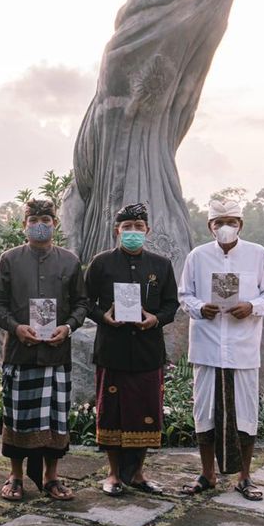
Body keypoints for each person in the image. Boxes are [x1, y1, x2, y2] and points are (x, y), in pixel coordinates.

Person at [178, 199, 264, 500]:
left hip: (243, 348)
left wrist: (252, 306)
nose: (225, 227)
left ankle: (245, 476)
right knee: (205, 412)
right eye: (218, 222)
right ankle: (207, 474)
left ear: (241, 224)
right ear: (209, 226)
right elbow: (185, 295)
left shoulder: (257, 254)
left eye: (231, 221)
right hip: (208, 347)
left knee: (245, 413)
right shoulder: (197, 257)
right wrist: (200, 307)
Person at [0, 199, 90, 502]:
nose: (40, 224)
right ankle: (15, 476)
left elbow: (82, 303)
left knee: (56, 419)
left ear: (55, 224)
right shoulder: (9, 259)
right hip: (21, 351)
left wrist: (68, 326)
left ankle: (51, 477)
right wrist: (16, 327)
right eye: (33, 219)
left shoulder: (70, 261)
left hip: (57, 354)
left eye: (46, 218)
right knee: (18, 416)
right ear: (24, 225)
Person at [84, 203, 178, 496]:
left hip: (148, 350)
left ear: (147, 230)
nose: (133, 232)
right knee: (112, 411)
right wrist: (103, 317)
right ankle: (113, 474)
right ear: (117, 231)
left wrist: (156, 319)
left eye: (138, 227)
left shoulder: (161, 265)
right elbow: (85, 301)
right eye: (127, 228)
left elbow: (171, 305)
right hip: (112, 349)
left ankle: (137, 473)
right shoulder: (101, 263)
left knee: (145, 412)